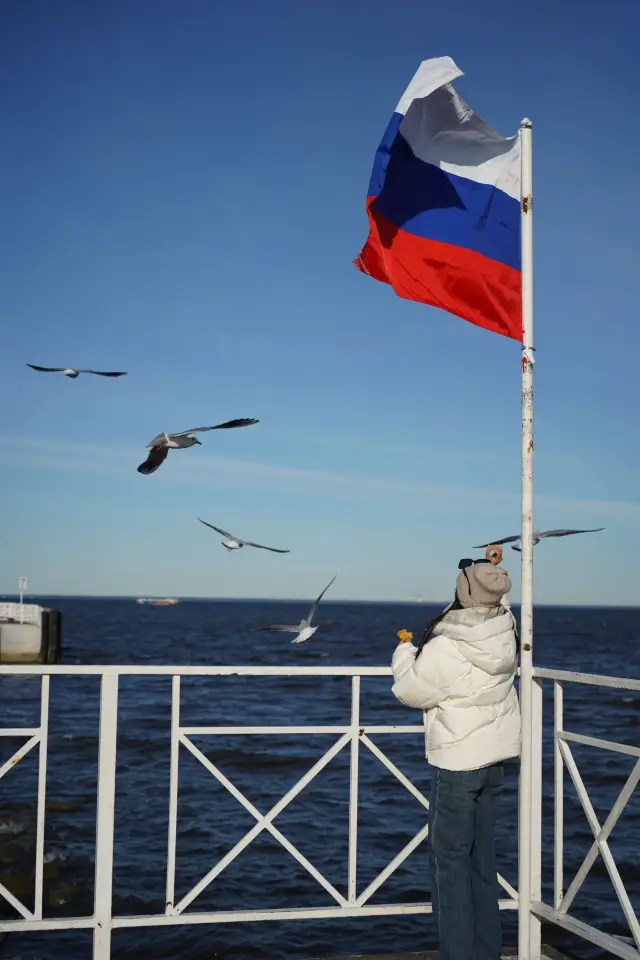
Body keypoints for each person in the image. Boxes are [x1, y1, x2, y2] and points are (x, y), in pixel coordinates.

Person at [391, 546, 520, 960]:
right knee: (483, 864)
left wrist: (403, 654)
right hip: (494, 762)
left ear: (462, 593)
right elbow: (485, 602)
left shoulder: (448, 646)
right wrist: (486, 573)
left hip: (459, 766)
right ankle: (486, 952)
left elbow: (410, 691)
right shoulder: (505, 629)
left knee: (450, 867)